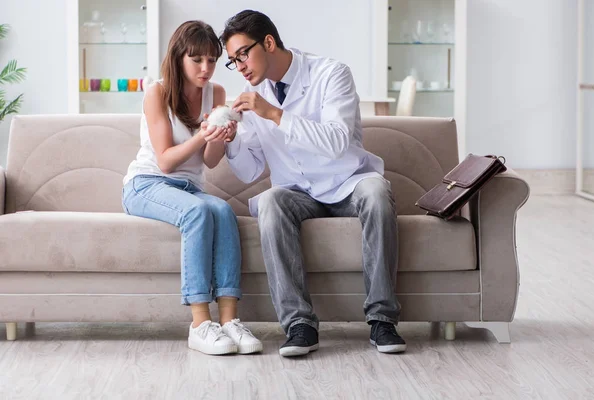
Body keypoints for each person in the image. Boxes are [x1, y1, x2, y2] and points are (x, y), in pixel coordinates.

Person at [220, 10, 407, 357]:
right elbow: (249, 171)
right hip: (299, 194)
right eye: (233, 61)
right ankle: (299, 325)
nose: (240, 66)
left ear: (269, 42)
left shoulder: (330, 74)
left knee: (377, 191)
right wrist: (231, 140)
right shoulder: (252, 94)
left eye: (243, 53)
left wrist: (275, 114)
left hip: (347, 183)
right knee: (272, 200)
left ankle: (383, 320)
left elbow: (338, 141)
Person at [122, 20, 262, 355]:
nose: (206, 68)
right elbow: (166, 161)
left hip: (188, 189)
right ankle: (200, 323)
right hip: (148, 183)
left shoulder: (216, 94)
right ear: (178, 58)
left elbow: (210, 161)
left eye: (212, 60)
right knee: (200, 211)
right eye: (196, 60)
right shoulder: (157, 92)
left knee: (224, 211)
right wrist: (202, 133)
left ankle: (229, 320)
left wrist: (221, 138)